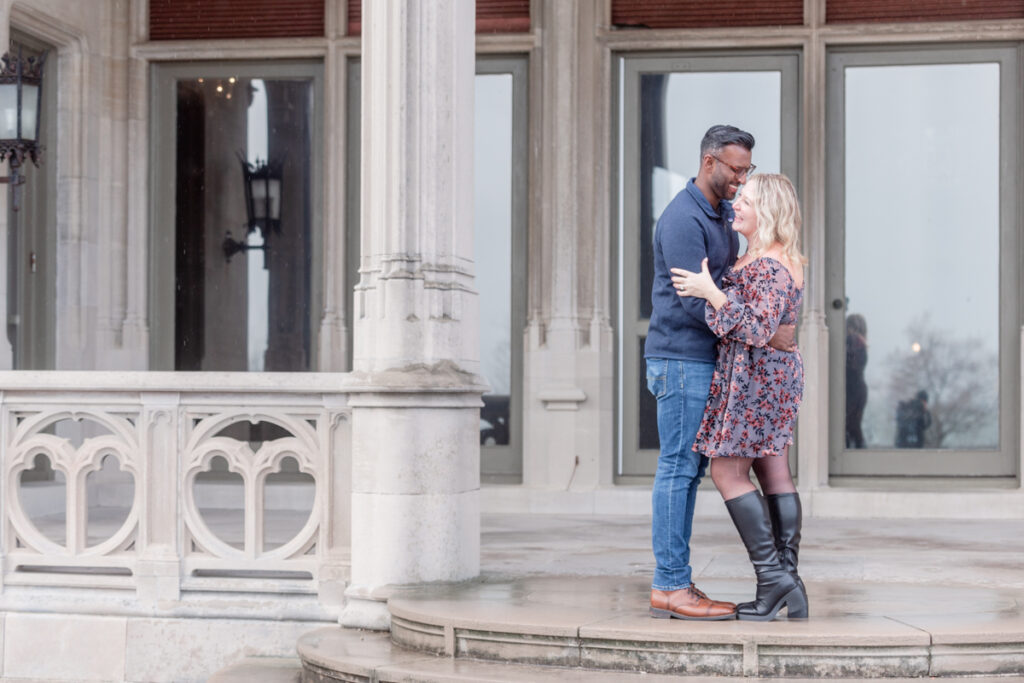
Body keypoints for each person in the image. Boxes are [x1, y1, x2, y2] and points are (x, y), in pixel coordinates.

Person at [644, 125, 793, 621]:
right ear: (709, 162)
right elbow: (695, 305)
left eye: (747, 170)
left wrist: (760, 323)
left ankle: (773, 581)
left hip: (708, 360)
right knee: (679, 470)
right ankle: (670, 586)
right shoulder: (683, 220)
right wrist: (756, 329)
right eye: (735, 169)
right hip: (683, 360)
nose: (740, 180)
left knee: (695, 472)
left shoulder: (722, 214)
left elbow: (747, 283)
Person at [671, 173, 808, 621]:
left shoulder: (768, 265)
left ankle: (774, 578)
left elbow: (756, 328)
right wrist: (721, 303)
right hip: (765, 373)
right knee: (772, 468)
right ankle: (787, 582)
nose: (737, 206)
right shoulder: (762, 258)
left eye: (747, 200)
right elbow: (734, 323)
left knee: (727, 470)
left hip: (758, 379)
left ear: (766, 210)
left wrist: (712, 292)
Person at [845, 314, 868, 448]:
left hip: (852, 388)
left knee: (850, 427)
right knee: (853, 427)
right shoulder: (858, 341)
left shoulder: (853, 341)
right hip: (856, 388)